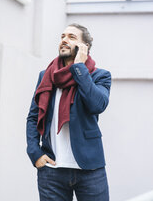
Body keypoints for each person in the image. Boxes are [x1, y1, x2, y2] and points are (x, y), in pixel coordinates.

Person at [26, 23, 112, 201]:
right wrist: (35, 153)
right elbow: (34, 117)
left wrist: (79, 67)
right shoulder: (46, 76)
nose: (64, 40)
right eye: (62, 36)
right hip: (52, 170)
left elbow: (97, 105)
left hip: (90, 170)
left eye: (71, 37)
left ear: (84, 46)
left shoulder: (100, 76)